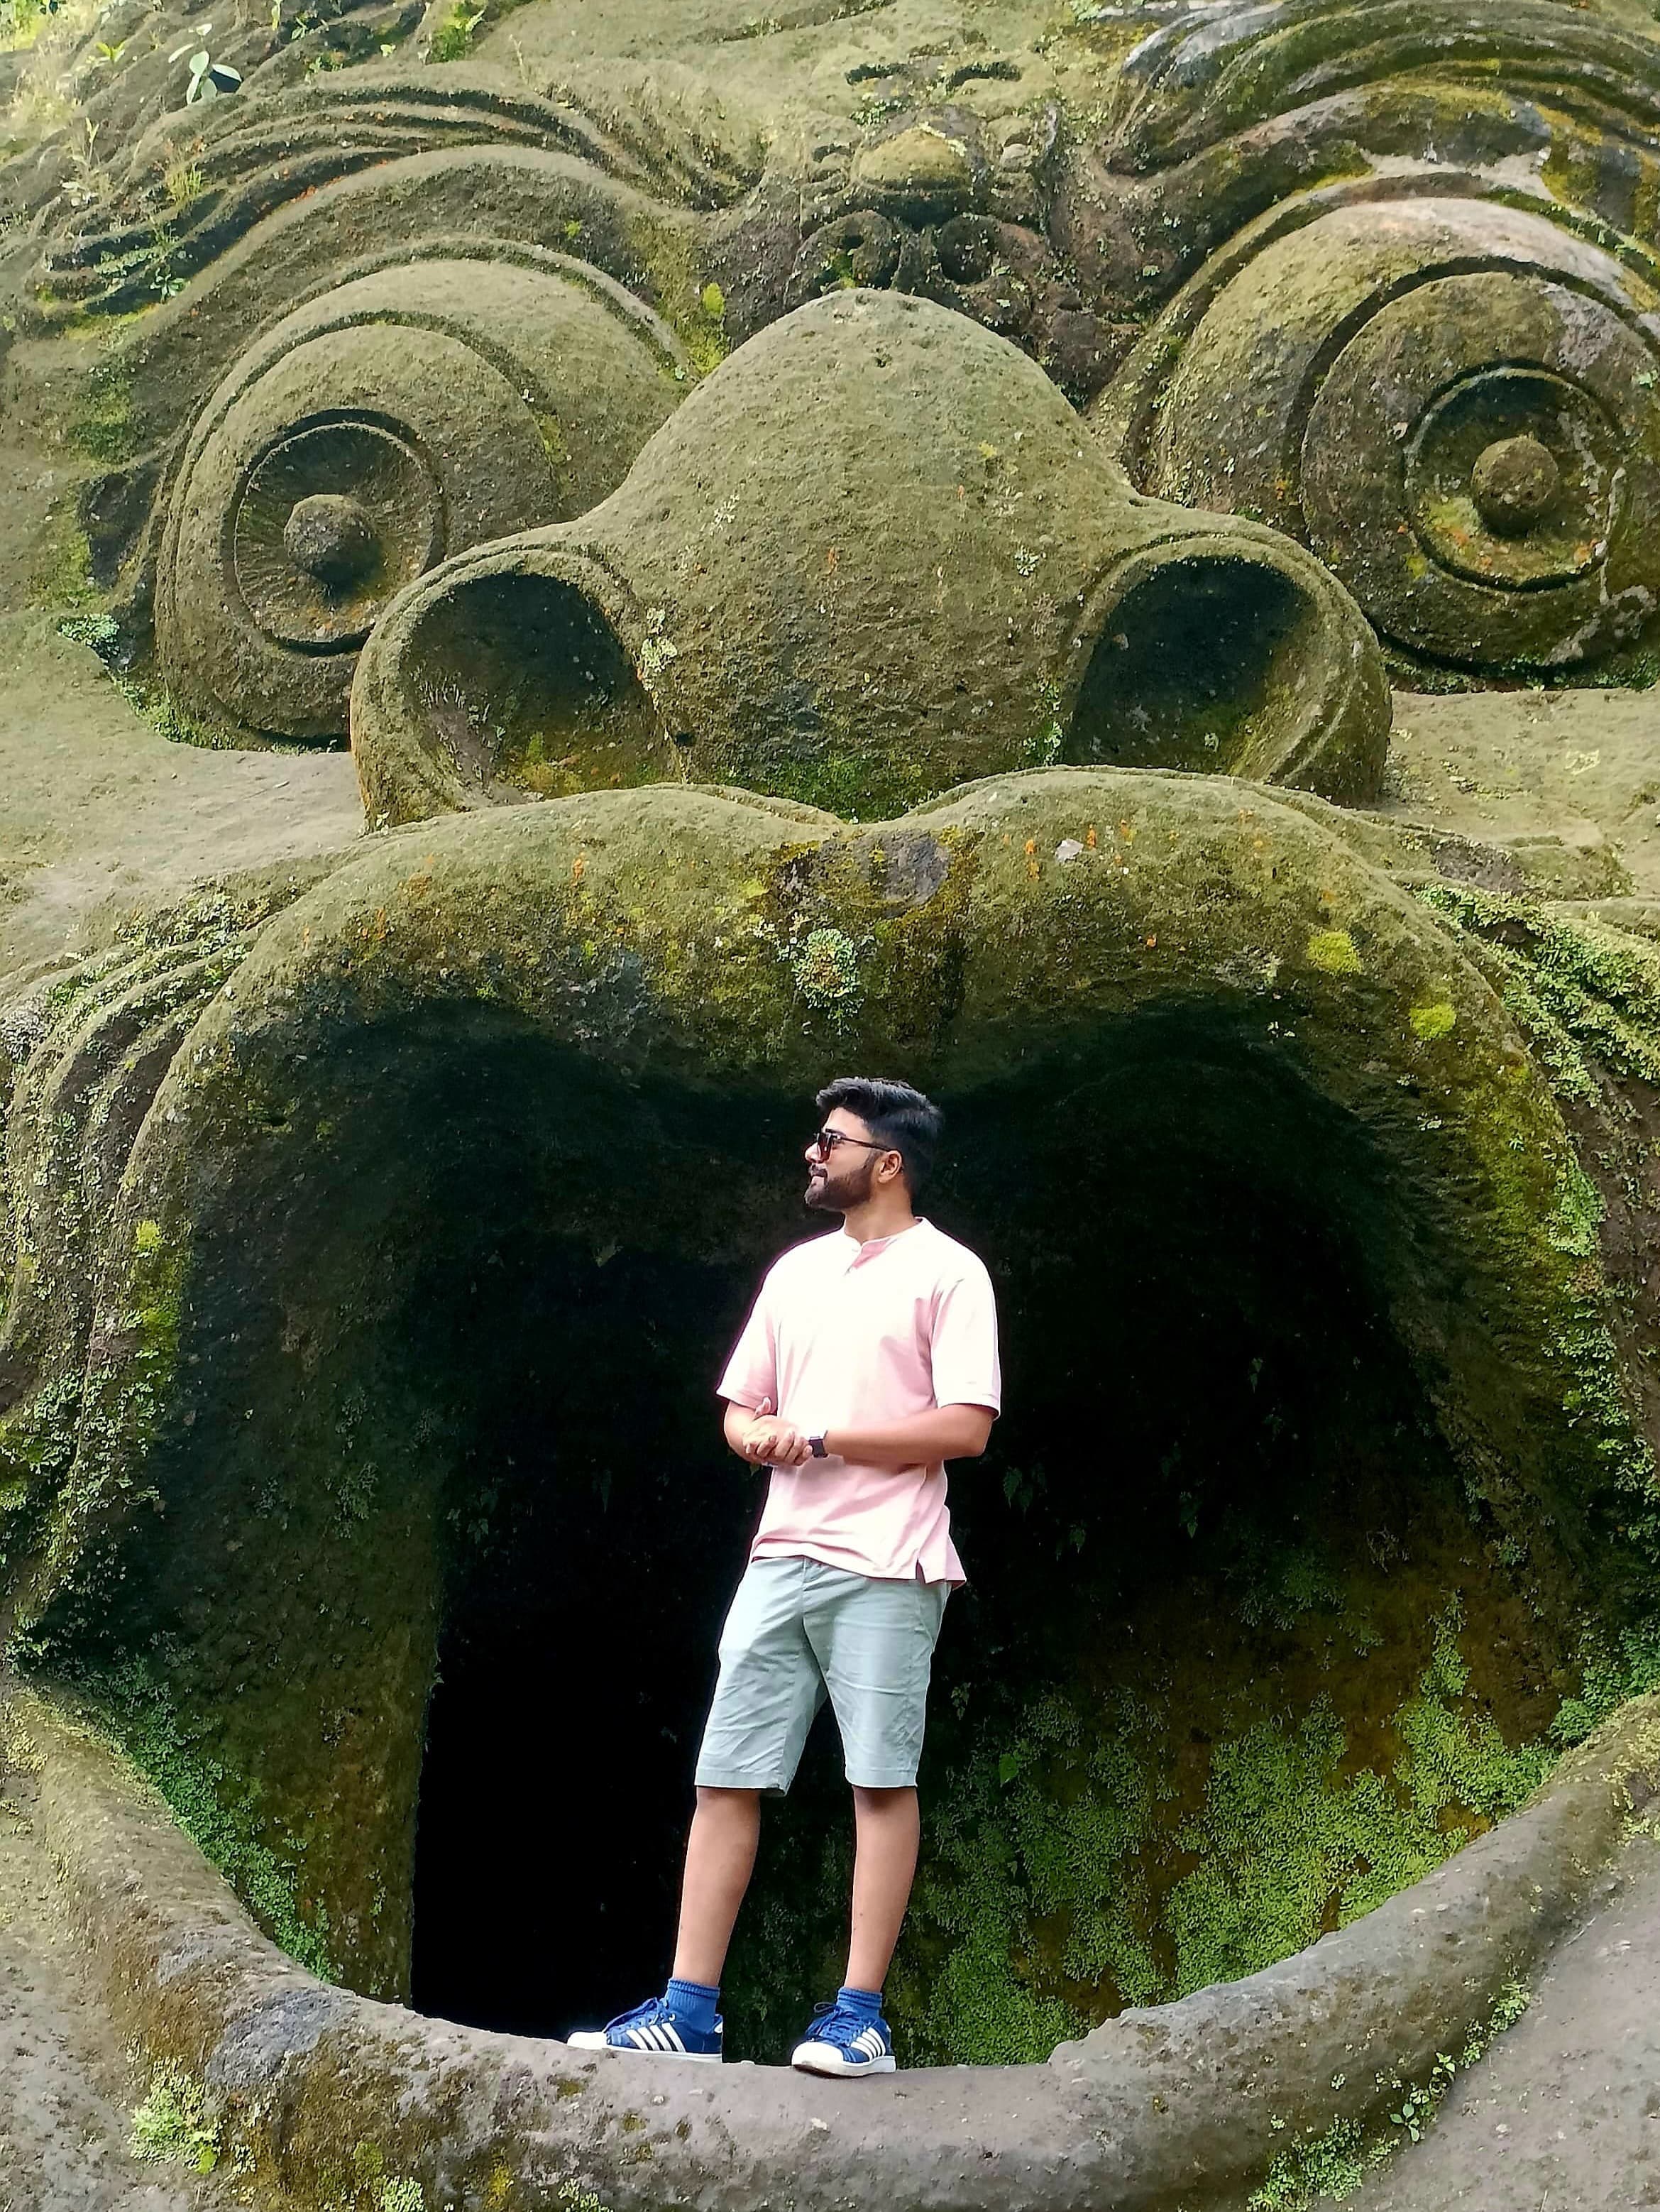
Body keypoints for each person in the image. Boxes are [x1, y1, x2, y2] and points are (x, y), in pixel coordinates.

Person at [568, 1075, 1000, 2076]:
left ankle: (857, 2019)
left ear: (885, 1162)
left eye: (831, 1140)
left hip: (889, 1561)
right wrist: (755, 1433)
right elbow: (740, 1405)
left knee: (880, 1780)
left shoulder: (950, 1274)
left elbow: (966, 1426)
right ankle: (689, 2011)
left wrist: (823, 1437)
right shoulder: (796, 1272)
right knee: (726, 1776)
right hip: (781, 1555)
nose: (812, 1154)